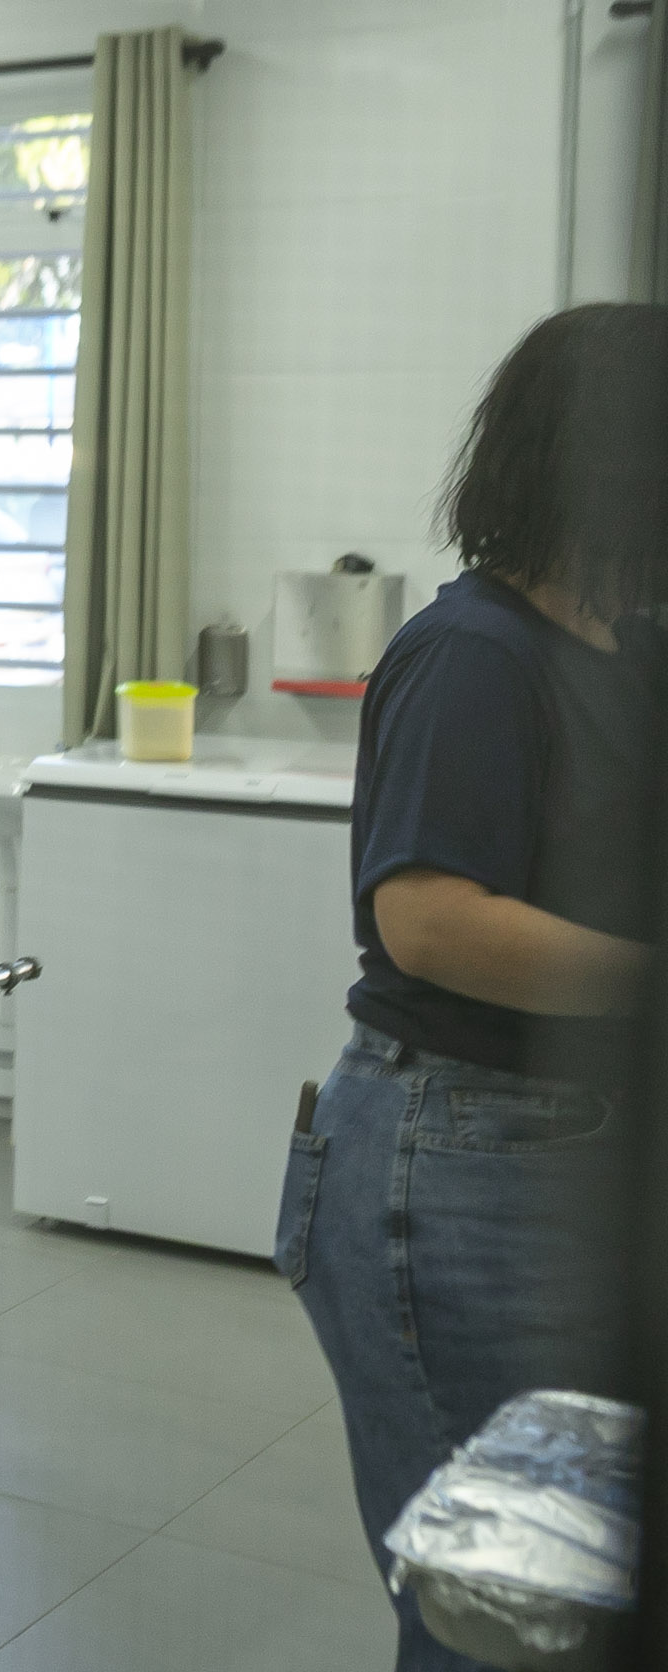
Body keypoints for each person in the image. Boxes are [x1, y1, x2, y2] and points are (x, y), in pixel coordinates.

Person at [275, 304, 668, 1670]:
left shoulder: (629, 647)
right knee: (507, 1607)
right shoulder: (474, 654)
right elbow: (432, 922)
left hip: (564, 1145)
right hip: (454, 1161)